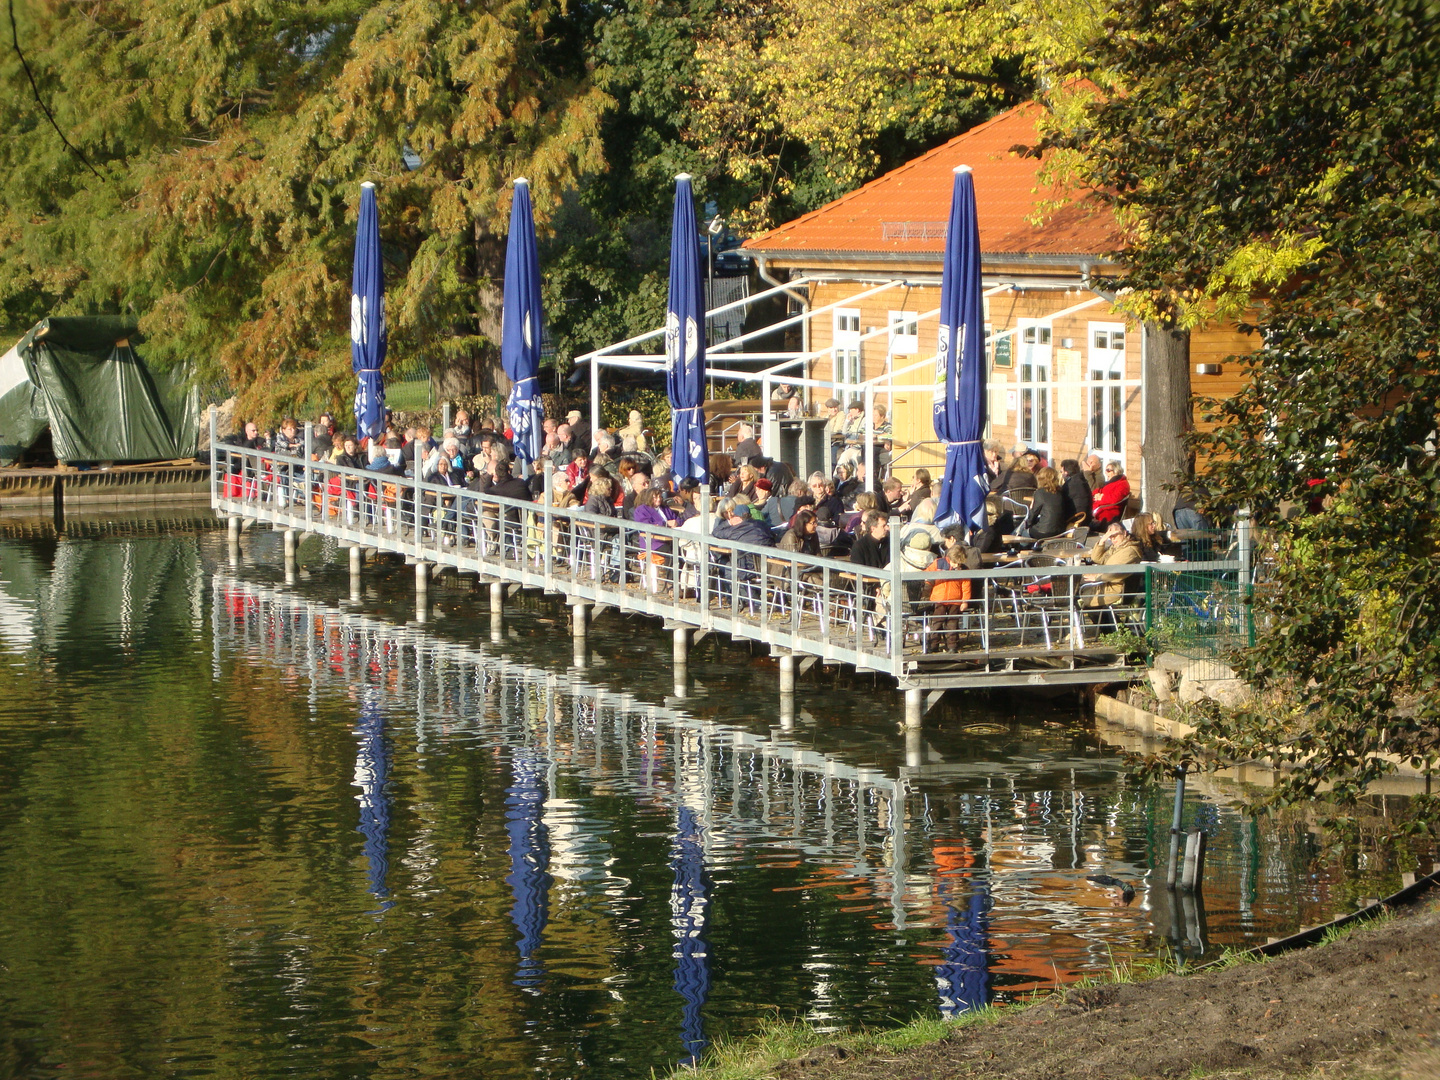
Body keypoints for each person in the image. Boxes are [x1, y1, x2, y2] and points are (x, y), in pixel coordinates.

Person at [1082, 520, 1143, 632]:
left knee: (1087, 601)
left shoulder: (1129, 551)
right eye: (1111, 536)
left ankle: (1115, 632)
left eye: (1116, 535)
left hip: (1117, 588)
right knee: (1083, 597)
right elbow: (1097, 558)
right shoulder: (1116, 548)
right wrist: (1103, 540)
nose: (1113, 539)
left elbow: (1114, 572)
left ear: (1124, 533)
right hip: (1108, 585)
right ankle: (1116, 631)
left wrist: (1097, 577)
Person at [1020, 466, 1067, 540]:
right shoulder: (1061, 493)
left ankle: (1019, 549)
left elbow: (1034, 513)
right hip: (1059, 531)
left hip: (1043, 531)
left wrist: (1027, 525)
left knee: (1023, 533)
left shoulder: (1040, 493)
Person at [1090, 461, 1131, 526]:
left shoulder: (1122, 484)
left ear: (1116, 471)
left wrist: (1101, 498)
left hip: (1109, 511)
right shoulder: (1110, 482)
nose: (1106, 473)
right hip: (1099, 508)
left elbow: (1115, 498)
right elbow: (1098, 490)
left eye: (1108, 470)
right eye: (1106, 470)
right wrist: (1095, 495)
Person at [1060, 459, 1092, 525]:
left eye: (1061, 471)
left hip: (1075, 519)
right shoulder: (1083, 480)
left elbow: (1060, 501)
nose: (1061, 474)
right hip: (1086, 518)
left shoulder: (1070, 484)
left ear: (1066, 472)